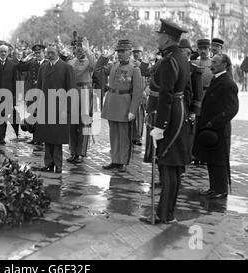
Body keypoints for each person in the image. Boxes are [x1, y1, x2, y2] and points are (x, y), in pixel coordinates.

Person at [142, 19, 191, 224]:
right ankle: (168, 213)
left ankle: (163, 215)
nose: (157, 38)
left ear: (167, 38)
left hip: (170, 116)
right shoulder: (179, 57)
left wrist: (160, 127)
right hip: (179, 112)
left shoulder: (171, 60)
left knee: (167, 165)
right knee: (174, 167)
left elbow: (166, 95)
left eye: (159, 36)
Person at [192, 54, 239, 199]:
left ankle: (221, 189)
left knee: (219, 160)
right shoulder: (217, 79)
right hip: (210, 126)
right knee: (211, 158)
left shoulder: (228, 83)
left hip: (219, 128)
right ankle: (214, 188)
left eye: (215, 62)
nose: (211, 64)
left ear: (224, 64)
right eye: (212, 61)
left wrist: (213, 123)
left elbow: (232, 109)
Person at [100, 40, 143, 173]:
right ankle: (115, 160)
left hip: (125, 104)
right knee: (114, 134)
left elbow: (137, 91)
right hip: (112, 102)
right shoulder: (113, 65)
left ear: (129, 52)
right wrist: (105, 57)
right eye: (118, 51)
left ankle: (123, 162)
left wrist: (132, 110)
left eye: (122, 51)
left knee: (124, 135)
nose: (119, 54)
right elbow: (97, 69)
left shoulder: (134, 69)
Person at [34, 44, 76, 173]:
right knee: (47, 137)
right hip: (46, 106)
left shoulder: (66, 67)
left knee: (57, 139)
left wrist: (69, 109)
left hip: (60, 108)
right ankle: (48, 163)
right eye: (48, 53)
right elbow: (39, 88)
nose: (49, 55)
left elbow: (71, 90)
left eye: (52, 53)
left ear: (57, 53)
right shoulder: (43, 67)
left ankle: (58, 165)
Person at [67, 37, 96, 163]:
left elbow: (96, 65)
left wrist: (88, 50)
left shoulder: (89, 61)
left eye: (81, 47)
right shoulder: (71, 62)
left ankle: (81, 152)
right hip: (73, 92)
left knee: (84, 123)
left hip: (85, 91)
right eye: (77, 47)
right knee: (72, 124)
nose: (79, 50)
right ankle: (73, 151)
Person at [17, 44, 47, 144]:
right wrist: (25, 59)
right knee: (33, 115)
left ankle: (41, 138)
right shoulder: (32, 63)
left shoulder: (47, 63)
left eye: (40, 53)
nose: (38, 55)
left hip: (43, 93)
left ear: (44, 53)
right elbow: (20, 67)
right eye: (36, 53)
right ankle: (35, 138)